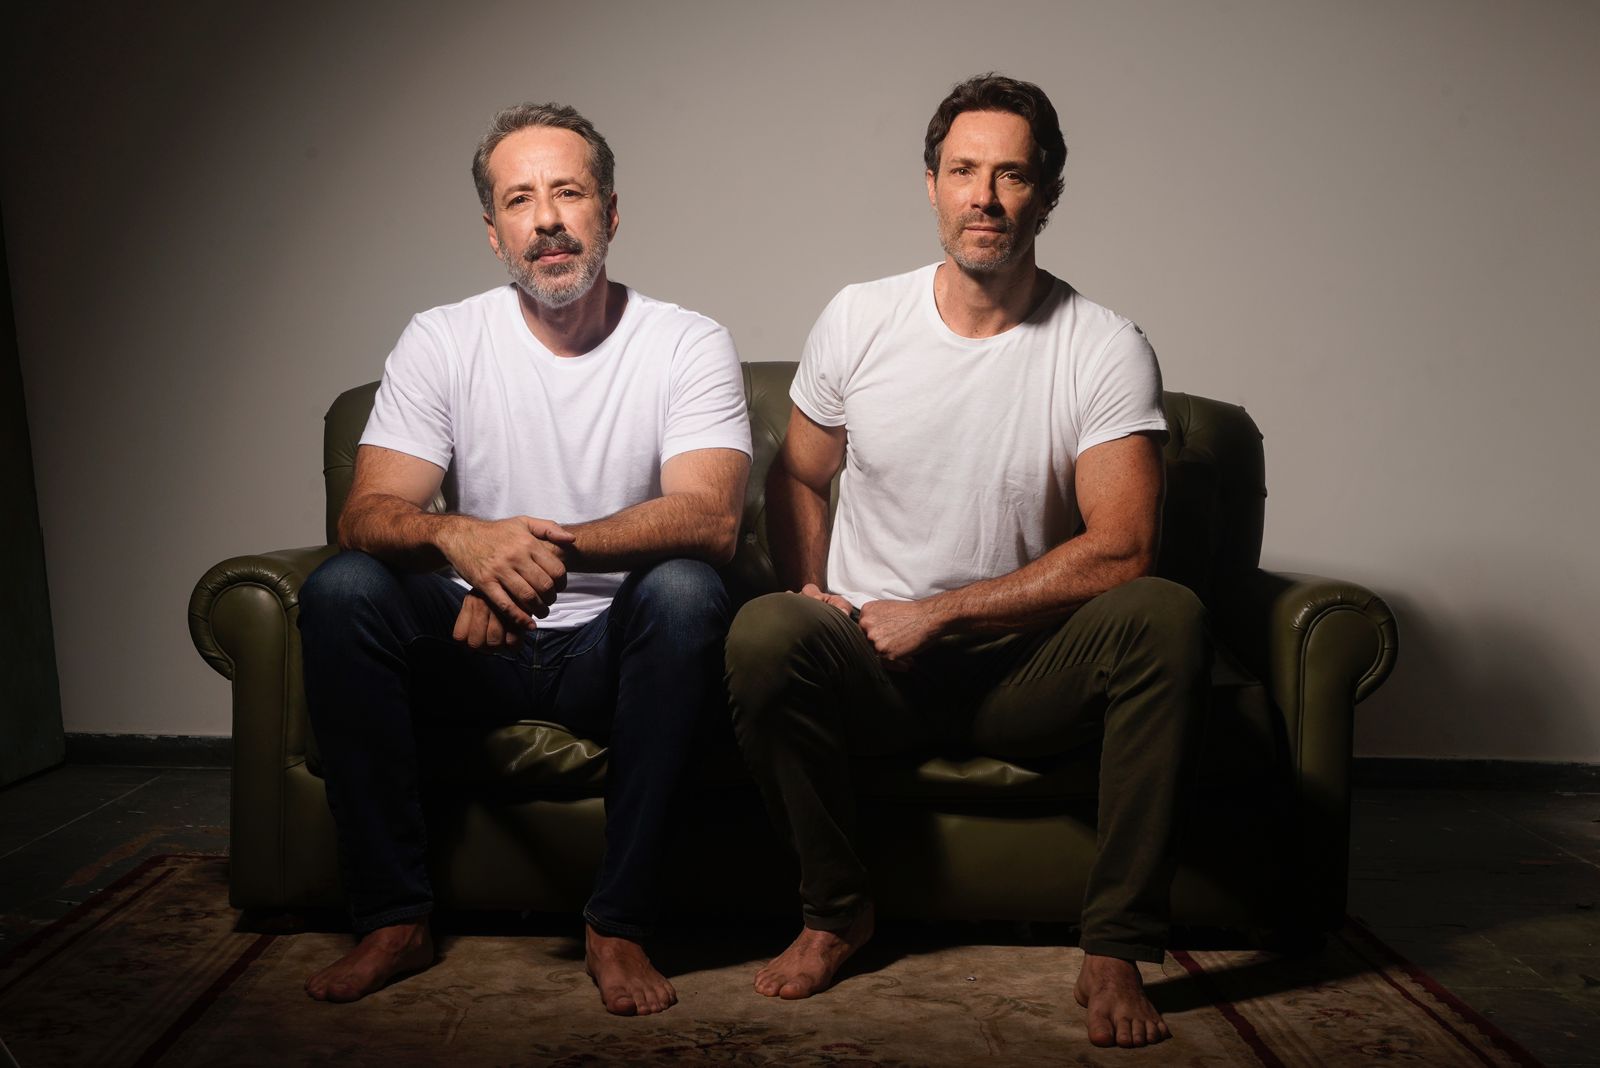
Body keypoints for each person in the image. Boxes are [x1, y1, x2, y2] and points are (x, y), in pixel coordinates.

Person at [725, 73, 1209, 1049]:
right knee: (764, 631)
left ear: (1047, 194)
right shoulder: (861, 317)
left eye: (1011, 175)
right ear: (931, 185)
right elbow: (800, 475)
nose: (984, 197)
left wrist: (942, 612)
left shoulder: (1102, 346)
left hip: (1025, 667)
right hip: (871, 658)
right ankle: (835, 913)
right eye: (963, 171)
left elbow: (1125, 546)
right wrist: (813, 592)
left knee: (1168, 614)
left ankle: (1115, 946)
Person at [296, 101, 751, 1016]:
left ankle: (619, 923)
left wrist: (527, 557)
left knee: (688, 592)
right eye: (519, 200)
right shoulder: (442, 339)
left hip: (608, 649)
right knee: (342, 589)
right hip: (472, 644)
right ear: (493, 231)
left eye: (568, 193)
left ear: (609, 213)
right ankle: (393, 916)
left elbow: (711, 519)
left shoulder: (686, 341)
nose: (546, 219)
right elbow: (366, 514)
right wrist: (461, 540)